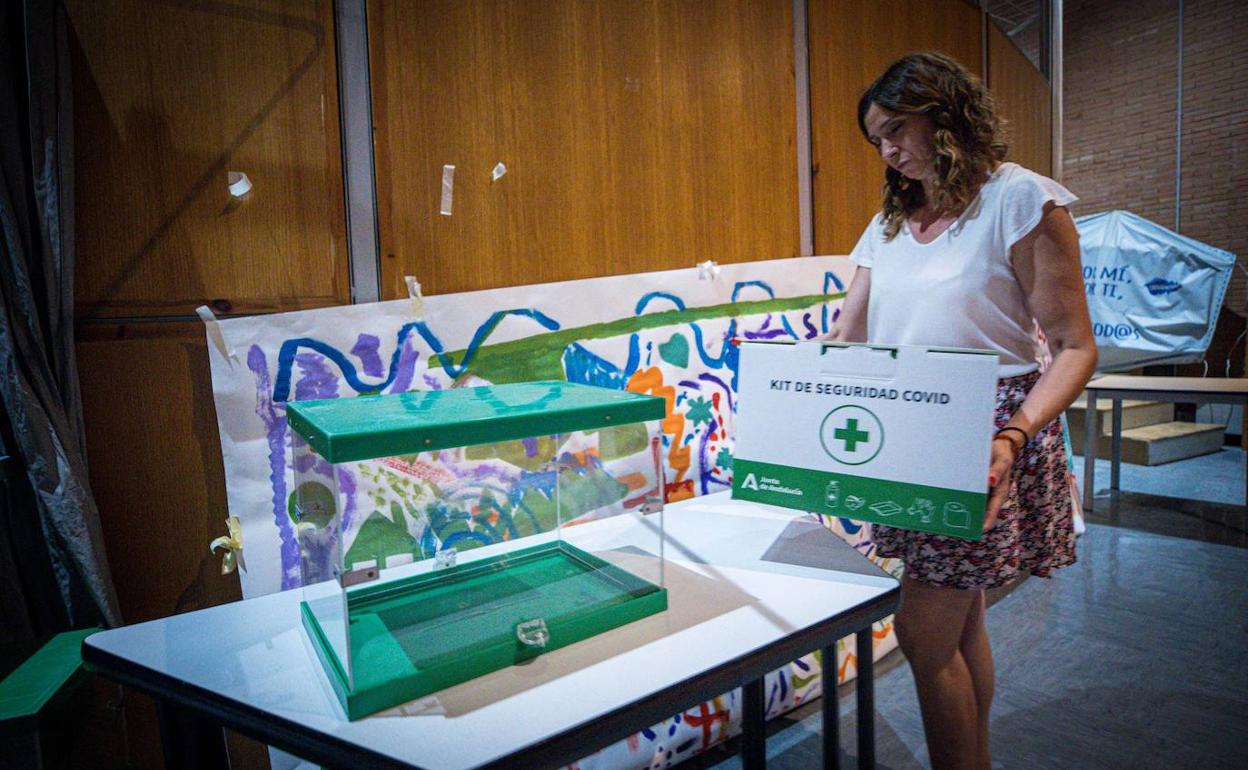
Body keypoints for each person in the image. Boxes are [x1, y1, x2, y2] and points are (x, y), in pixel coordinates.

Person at [828, 52, 1097, 770]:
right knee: (959, 618)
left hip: (985, 432)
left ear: (944, 115)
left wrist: (1013, 436)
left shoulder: (1019, 198)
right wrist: (791, 397)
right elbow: (845, 336)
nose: (887, 151)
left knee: (922, 633)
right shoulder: (889, 223)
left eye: (896, 129)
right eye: (876, 140)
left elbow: (1074, 348)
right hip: (906, 426)